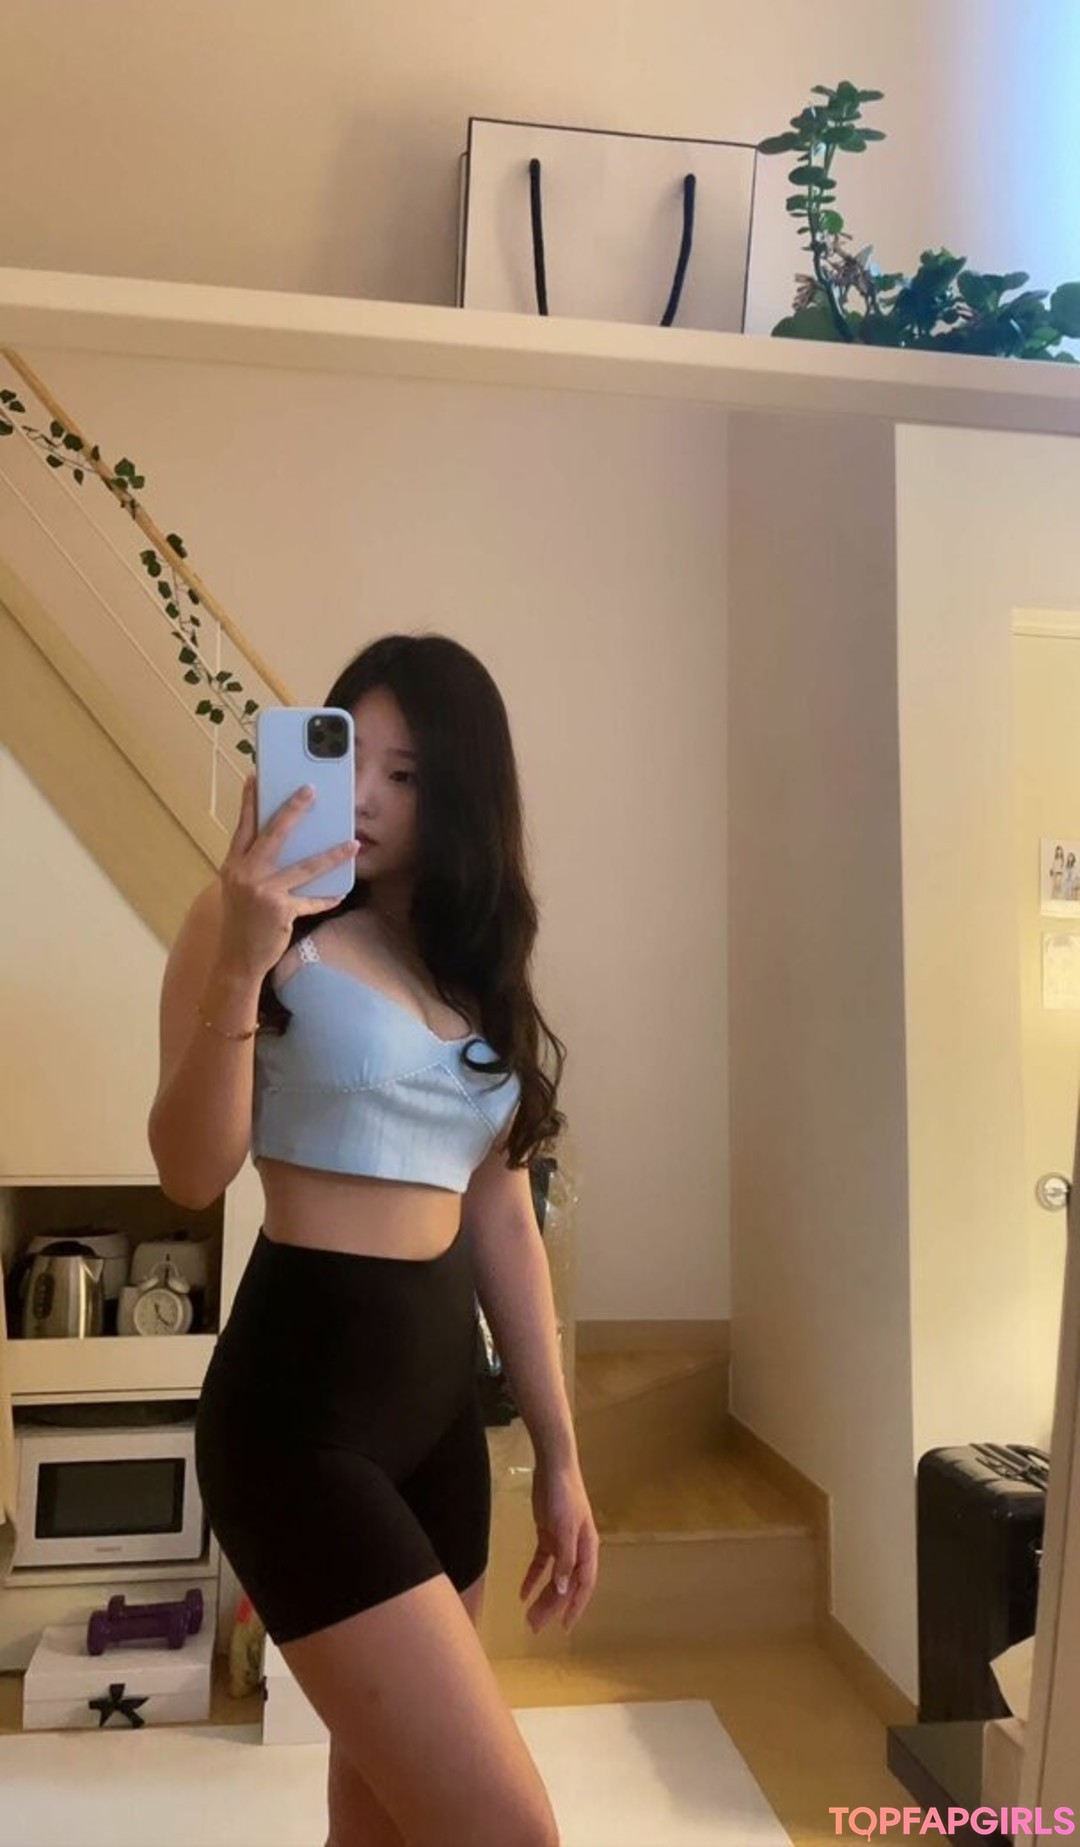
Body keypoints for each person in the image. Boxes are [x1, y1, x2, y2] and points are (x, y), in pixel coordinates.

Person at [148, 633, 599, 1847]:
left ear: (461, 796)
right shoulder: (247, 921)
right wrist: (244, 962)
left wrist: (560, 1450)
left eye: (406, 774)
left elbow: (501, 1214)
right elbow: (190, 1169)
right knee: (510, 1829)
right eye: (351, 753)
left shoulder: (470, 960)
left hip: (440, 1421)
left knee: (385, 1817)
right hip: (302, 1418)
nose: (364, 795)